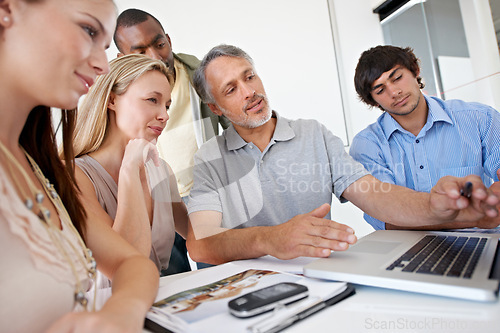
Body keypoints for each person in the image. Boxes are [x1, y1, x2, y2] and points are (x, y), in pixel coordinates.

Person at [185, 44, 500, 265]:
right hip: (251, 285)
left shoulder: (313, 134)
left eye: (249, 76)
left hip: (318, 277)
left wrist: (432, 205)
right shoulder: (209, 158)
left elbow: (375, 194)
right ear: (215, 108)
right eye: (230, 89)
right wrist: (270, 239)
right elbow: (200, 244)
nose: (249, 91)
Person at [0, 0, 159, 332]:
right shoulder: (79, 171)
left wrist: (119, 314)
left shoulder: (41, 168)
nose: (102, 64)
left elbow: (134, 262)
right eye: (88, 30)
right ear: (7, 9)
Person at [113, 8, 230, 272]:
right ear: (122, 58)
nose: (154, 56)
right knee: (171, 280)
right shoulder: (118, 98)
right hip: (156, 202)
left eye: (160, 44)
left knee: (218, 271)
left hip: (203, 195)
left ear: (168, 40)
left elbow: (235, 127)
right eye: (140, 52)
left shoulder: (198, 77)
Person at [349, 45, 500, 230]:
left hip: (480, 239)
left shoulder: (480, 119)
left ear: (415, 70)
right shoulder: (367, 145)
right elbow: (385, 215)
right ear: (373, 100)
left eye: (397, 78)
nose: (394, 92)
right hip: (409, 246)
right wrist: (474, 218)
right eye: (380, 90)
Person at [72, 54, 189, 288]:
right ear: (112, 100)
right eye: (152, 100)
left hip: (163, 306)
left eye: (167, 105)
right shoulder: (74, 176)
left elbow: (202, 237)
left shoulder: (161, 171)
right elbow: (126, 265)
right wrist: (129, 170)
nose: (164, 115)